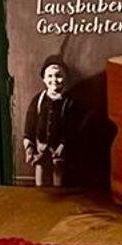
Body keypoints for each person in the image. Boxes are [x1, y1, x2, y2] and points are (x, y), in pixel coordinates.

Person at [23, 57, 77, 186]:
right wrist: (29, 146)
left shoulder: (69, 102)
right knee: (40, 170)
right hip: (40, 146)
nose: (54, 80)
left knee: (58, 172)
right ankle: (39, 189)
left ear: (65, 77)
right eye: (50, 76)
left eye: (58, 76)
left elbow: (72, 127)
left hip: (59, 148)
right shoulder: (38, 100)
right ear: (44, 79)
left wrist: (63, 145)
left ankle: (59, 191)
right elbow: (30, 124)